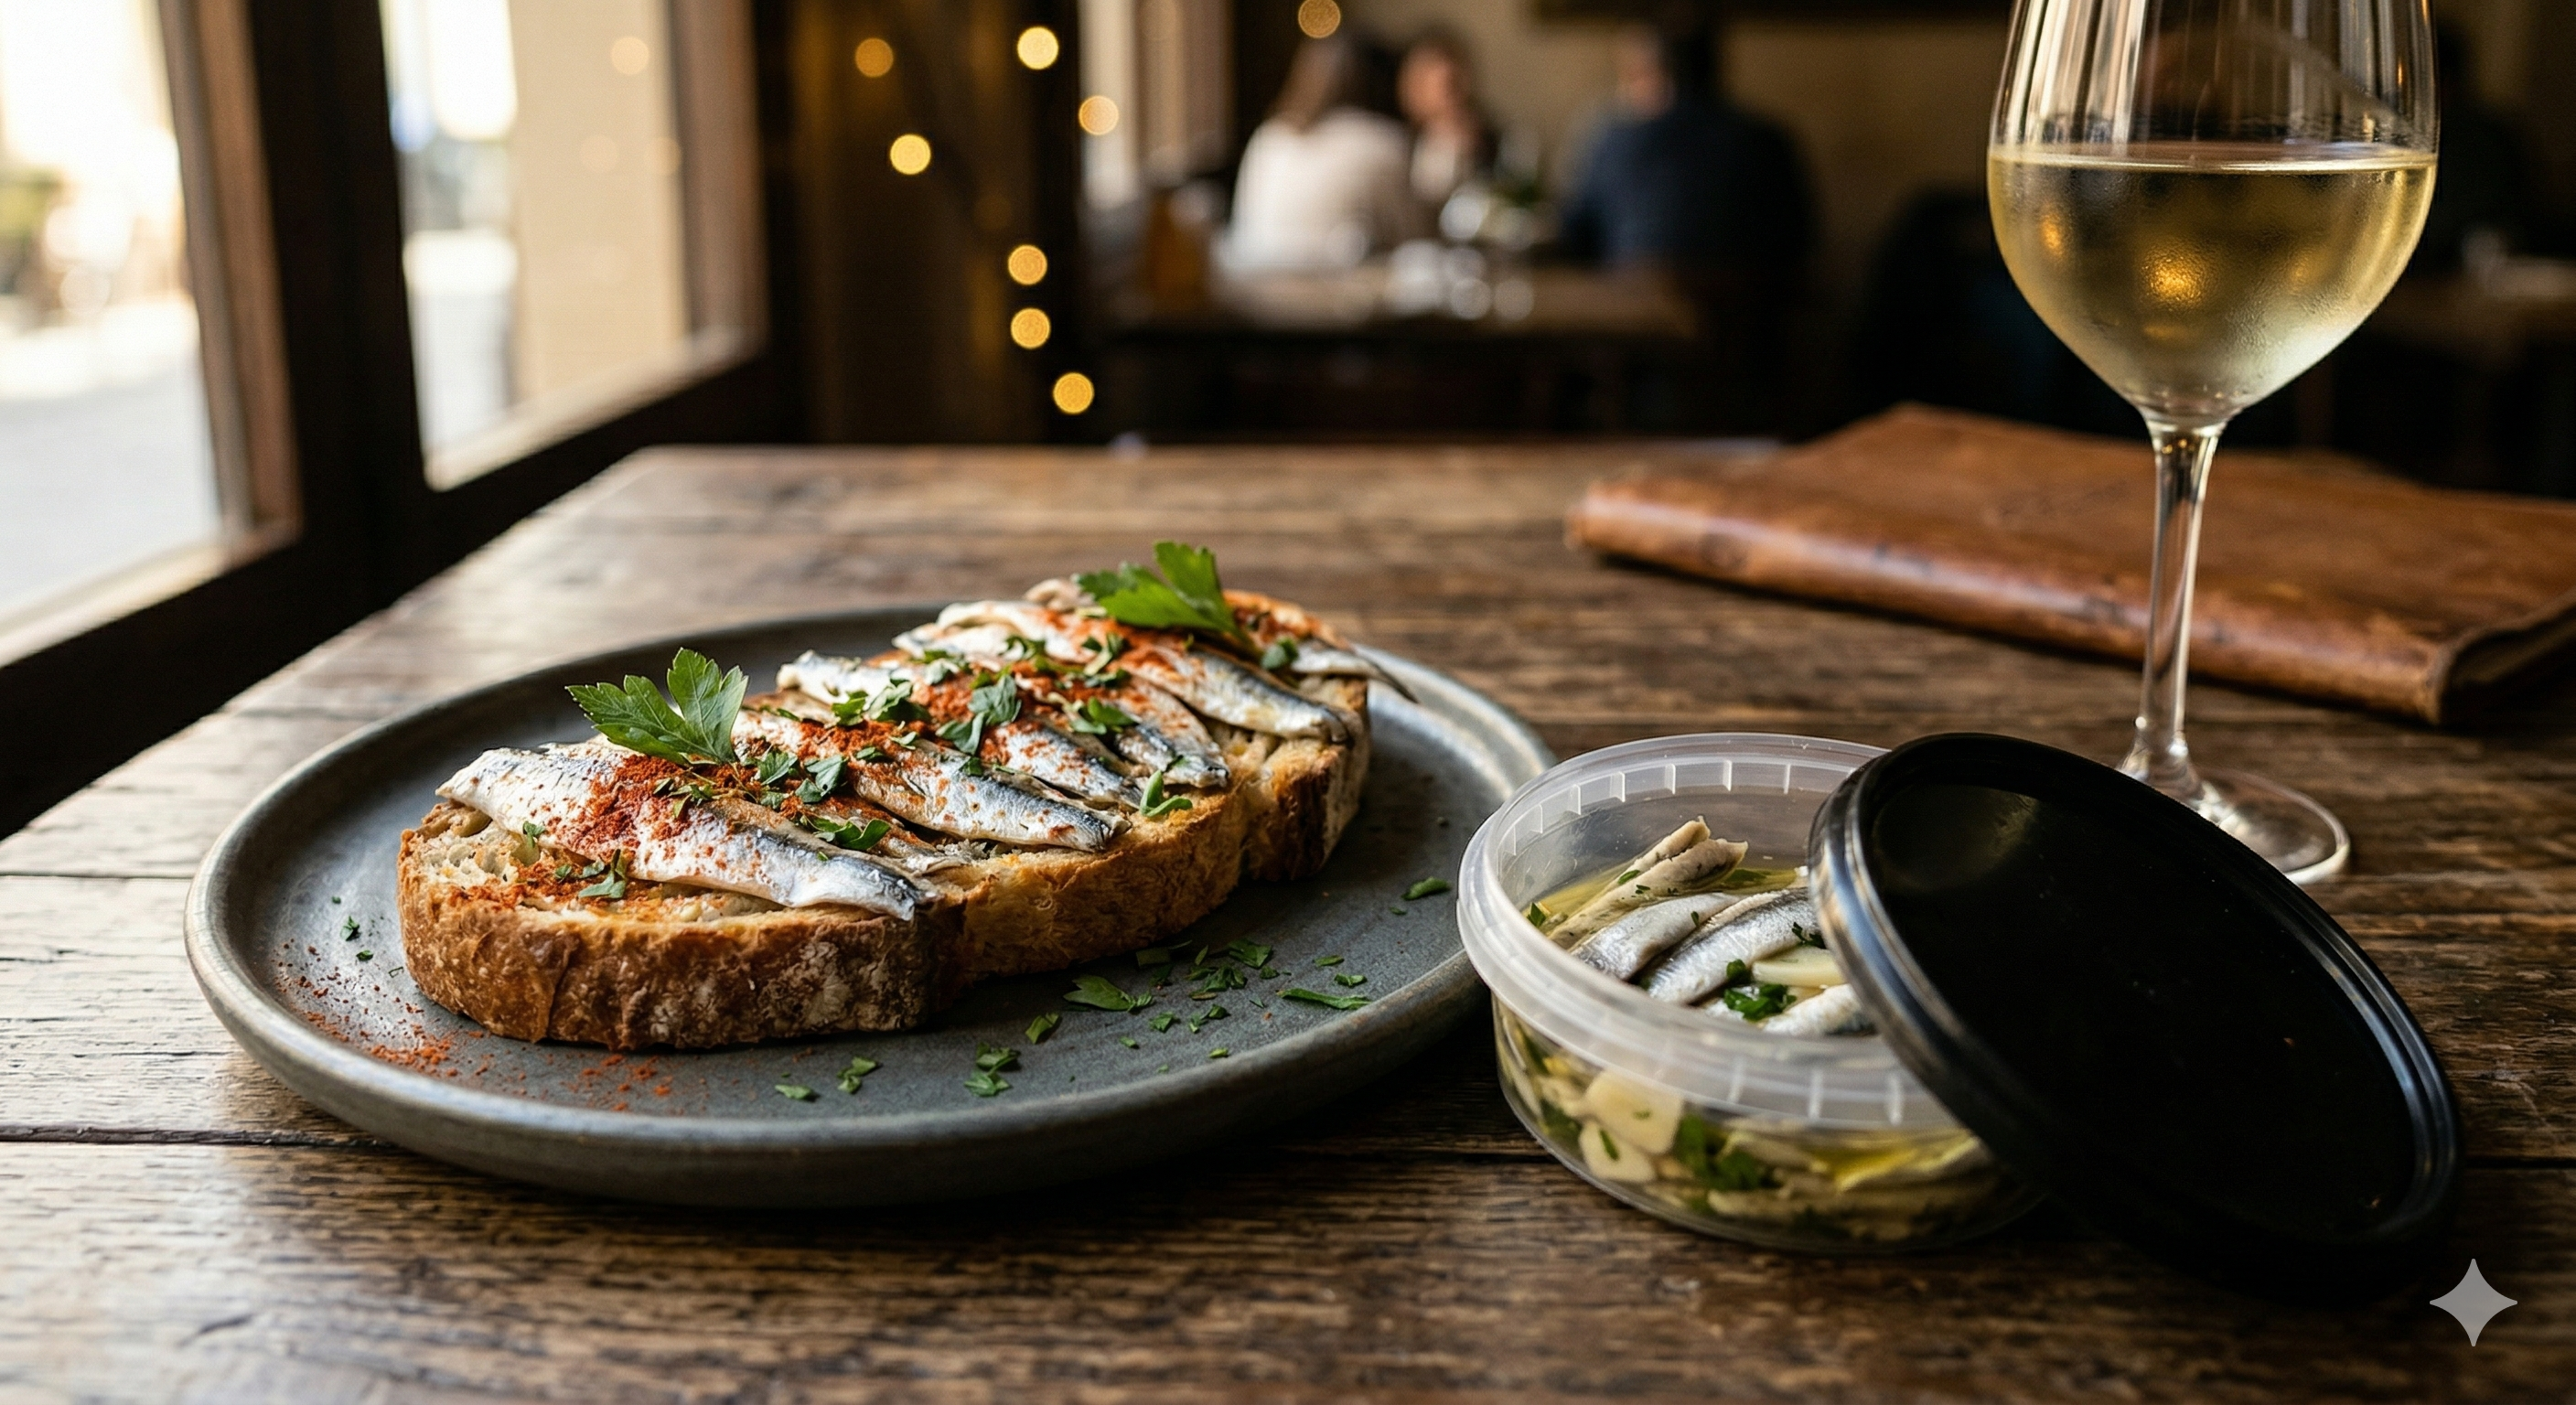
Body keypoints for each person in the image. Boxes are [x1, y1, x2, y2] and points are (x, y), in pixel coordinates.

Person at [1556, 25, 1812, 275]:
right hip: (1748, 298)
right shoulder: (1766, 137)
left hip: (1637, 297)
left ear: (1654, 75)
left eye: (1631, 75)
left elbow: (1577, 235)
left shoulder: (1612, 141)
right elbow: (1798, 238)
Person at [1224, 35, 1424, 270]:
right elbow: (1415, 237)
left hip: (1251, 282)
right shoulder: (1379, 140)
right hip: (1331, 286)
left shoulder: (1270, 135)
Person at [1397, 27, 1493, 208]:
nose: (1453, 98)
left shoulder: (1488, 140)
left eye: (1455, 84)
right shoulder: (1401, 142)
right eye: (1446, 87)